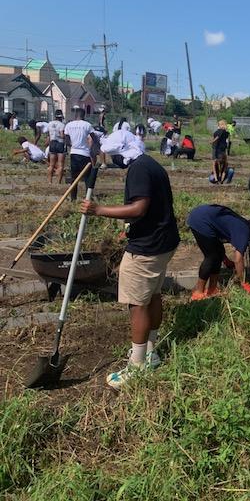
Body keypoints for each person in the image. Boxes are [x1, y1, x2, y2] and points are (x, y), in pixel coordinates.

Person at [80, 130, 179, 389]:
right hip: (163, 242)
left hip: (146, 249)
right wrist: (129, 225)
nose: (115, 162)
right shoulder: (152, 164)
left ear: (124, 153)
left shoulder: (138, 170)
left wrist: (98, 210)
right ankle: (151, 353)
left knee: (137, 303)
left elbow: (139, 207)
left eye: (115, 156)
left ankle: (136, 366)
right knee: (152, 295)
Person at [186, 204, 250, 300]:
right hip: (200, 221)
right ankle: (198, 292)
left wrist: (225, 260)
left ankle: (212, 290)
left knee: (217, 255)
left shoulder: (242, 225)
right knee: (211, 257)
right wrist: (243, 282)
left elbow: (220, 248)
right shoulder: (244, 232)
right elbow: (238, 259)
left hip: (201, 215)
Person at [64, 108, 96, 201]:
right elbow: (94, 138)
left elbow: (67, 141)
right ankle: (88, 197)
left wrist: (73, 146)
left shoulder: (69, 125)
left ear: (75, 115)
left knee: (74, 178)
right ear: (84, 115)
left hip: (74, 154)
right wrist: (93, 150)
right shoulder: (87, 125)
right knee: (88, 177)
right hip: (85, 154)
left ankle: (73, 198)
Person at [47, 109, 66, 183]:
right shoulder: (62, 125)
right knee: (60, 164)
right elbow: (61, 135)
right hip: (60, 143)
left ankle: (49, 181)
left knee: (51, 164)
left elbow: (48, 134)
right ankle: (58, 182)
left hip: (52, 143)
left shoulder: (50, 123)